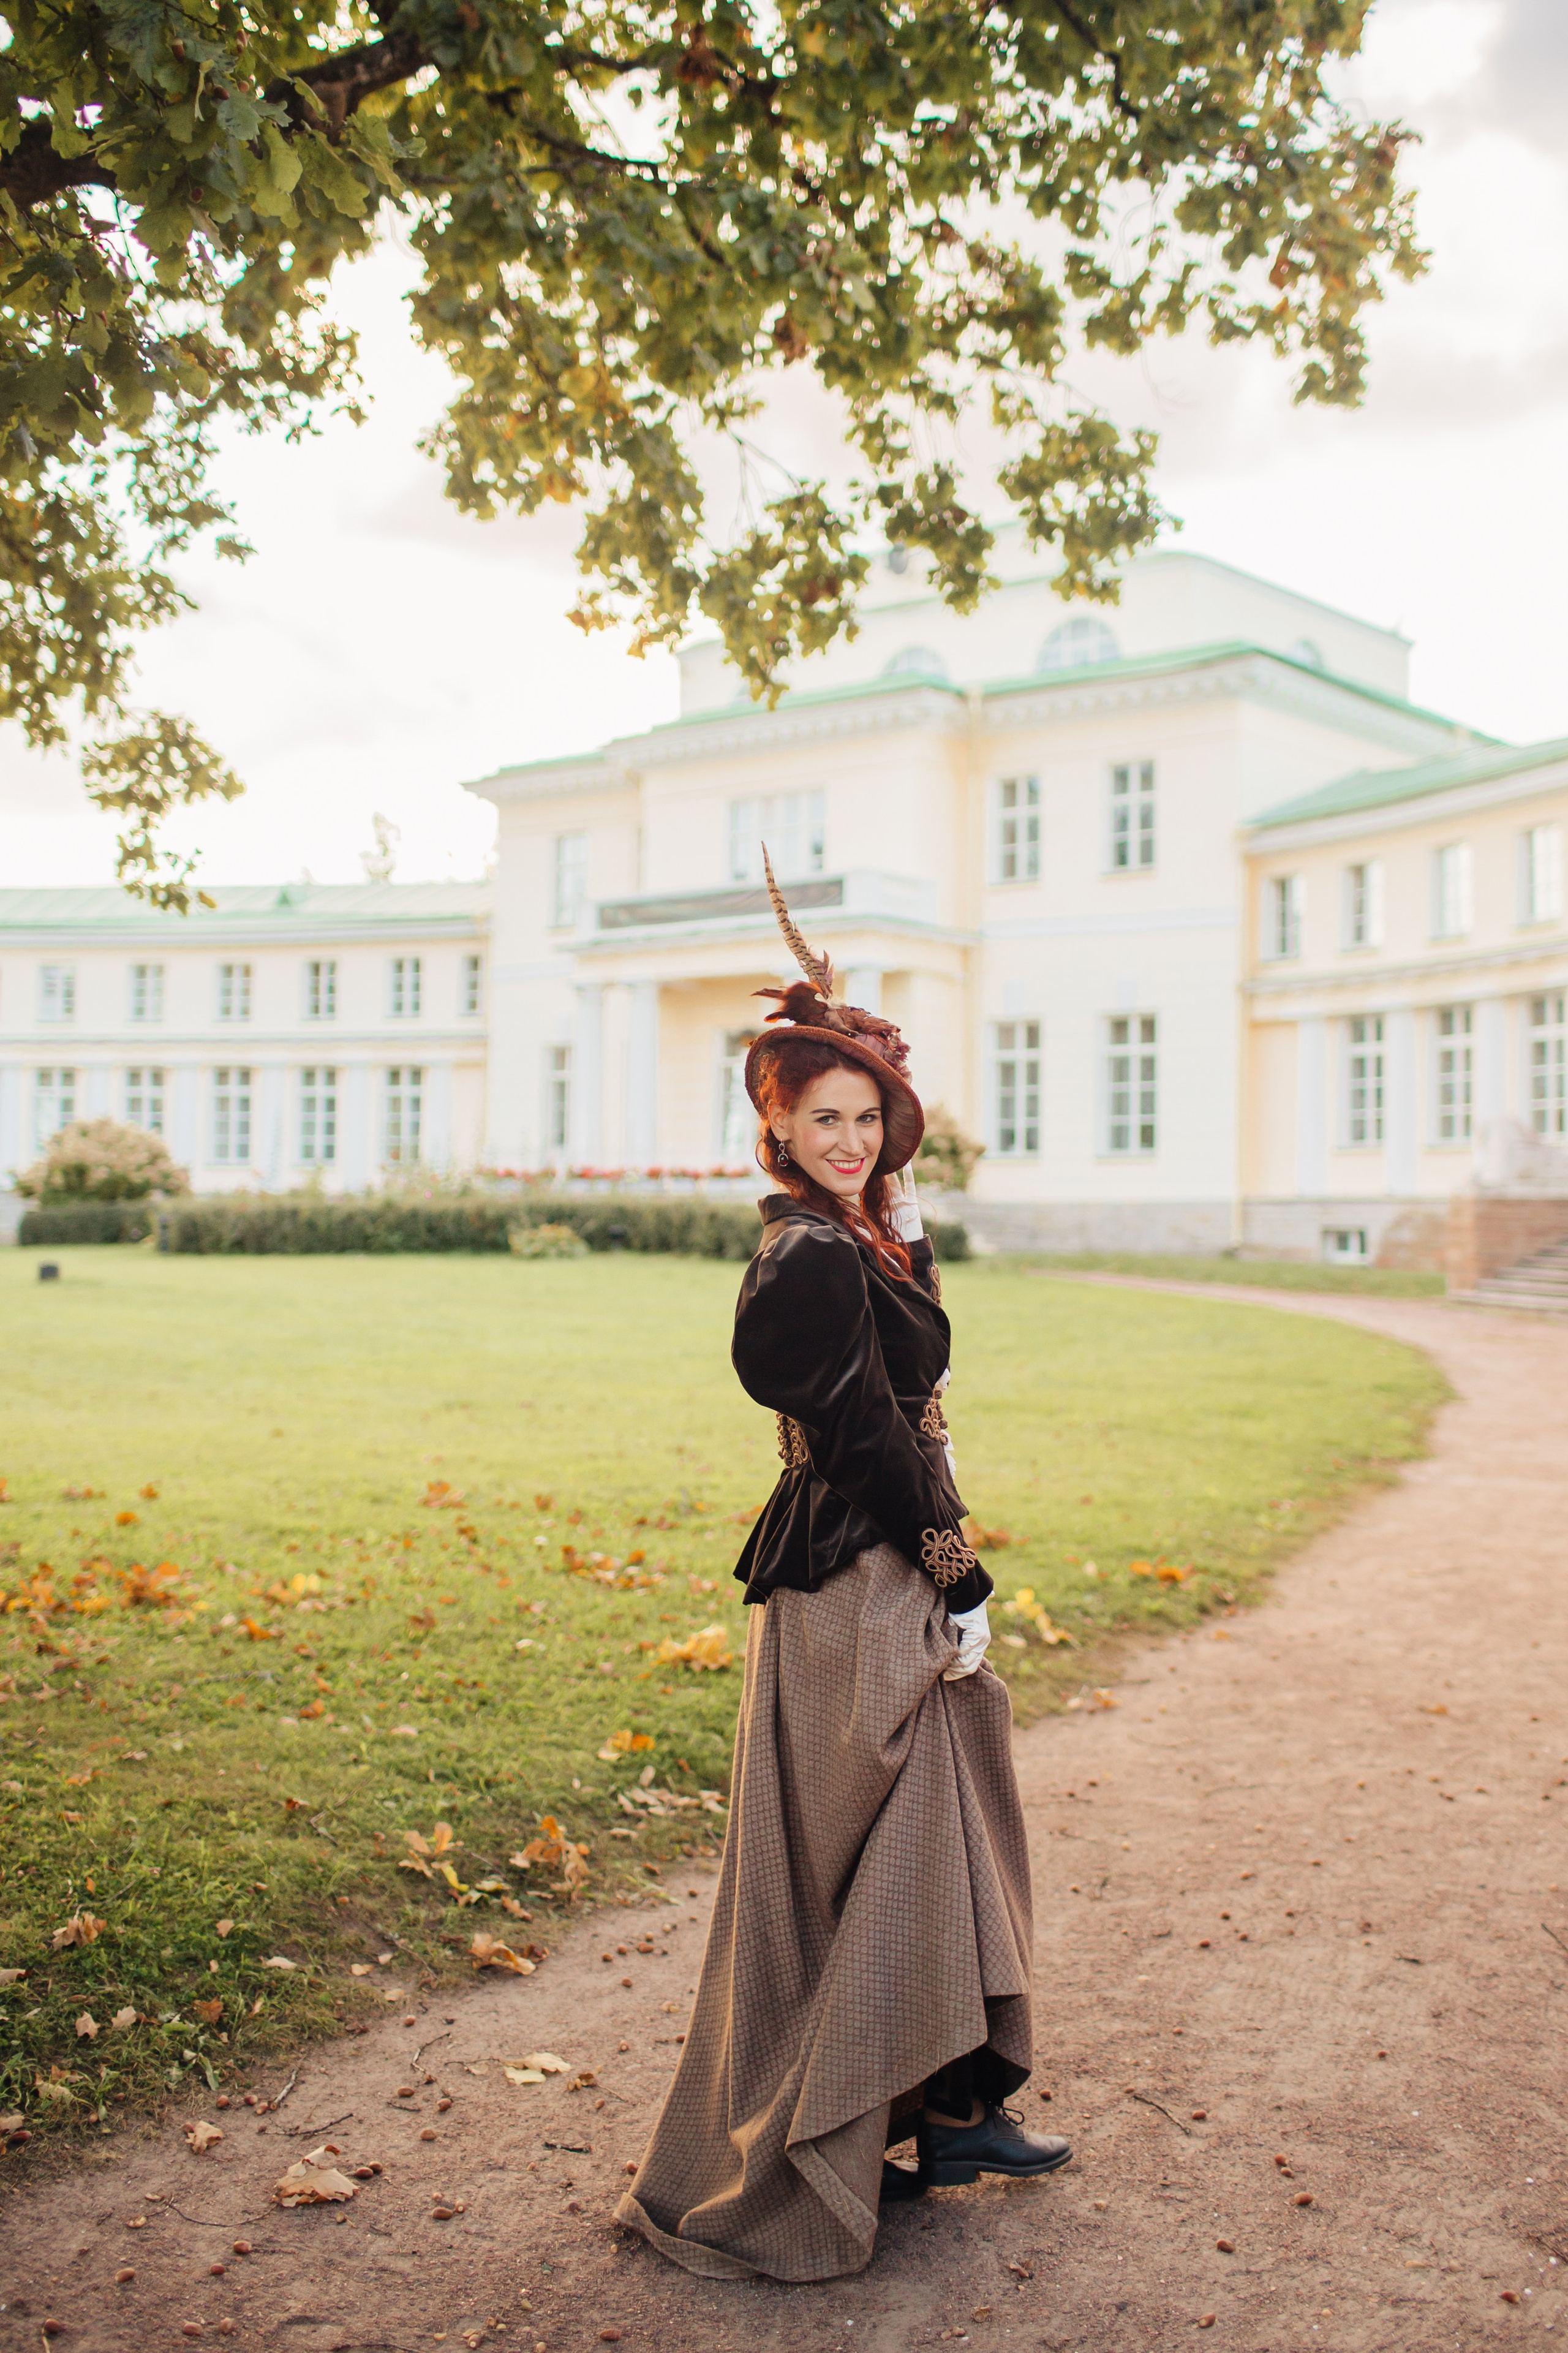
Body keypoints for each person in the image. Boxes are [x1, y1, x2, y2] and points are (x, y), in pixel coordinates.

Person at [615, 861, 1069, 2282]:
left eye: (868, 1119)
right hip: (852, 1580)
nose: (851, 1138)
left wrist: (901, 1191)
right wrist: (958, 1569)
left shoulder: (852, 1233)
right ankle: (872, 2129)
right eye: (826, 1119)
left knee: (928, 1819)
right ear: (776, 1124)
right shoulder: (798, 1259)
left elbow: (911, 1340)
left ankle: (938, 2113)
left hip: (882, 1570)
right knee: (878, 1846)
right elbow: (869, 1433)